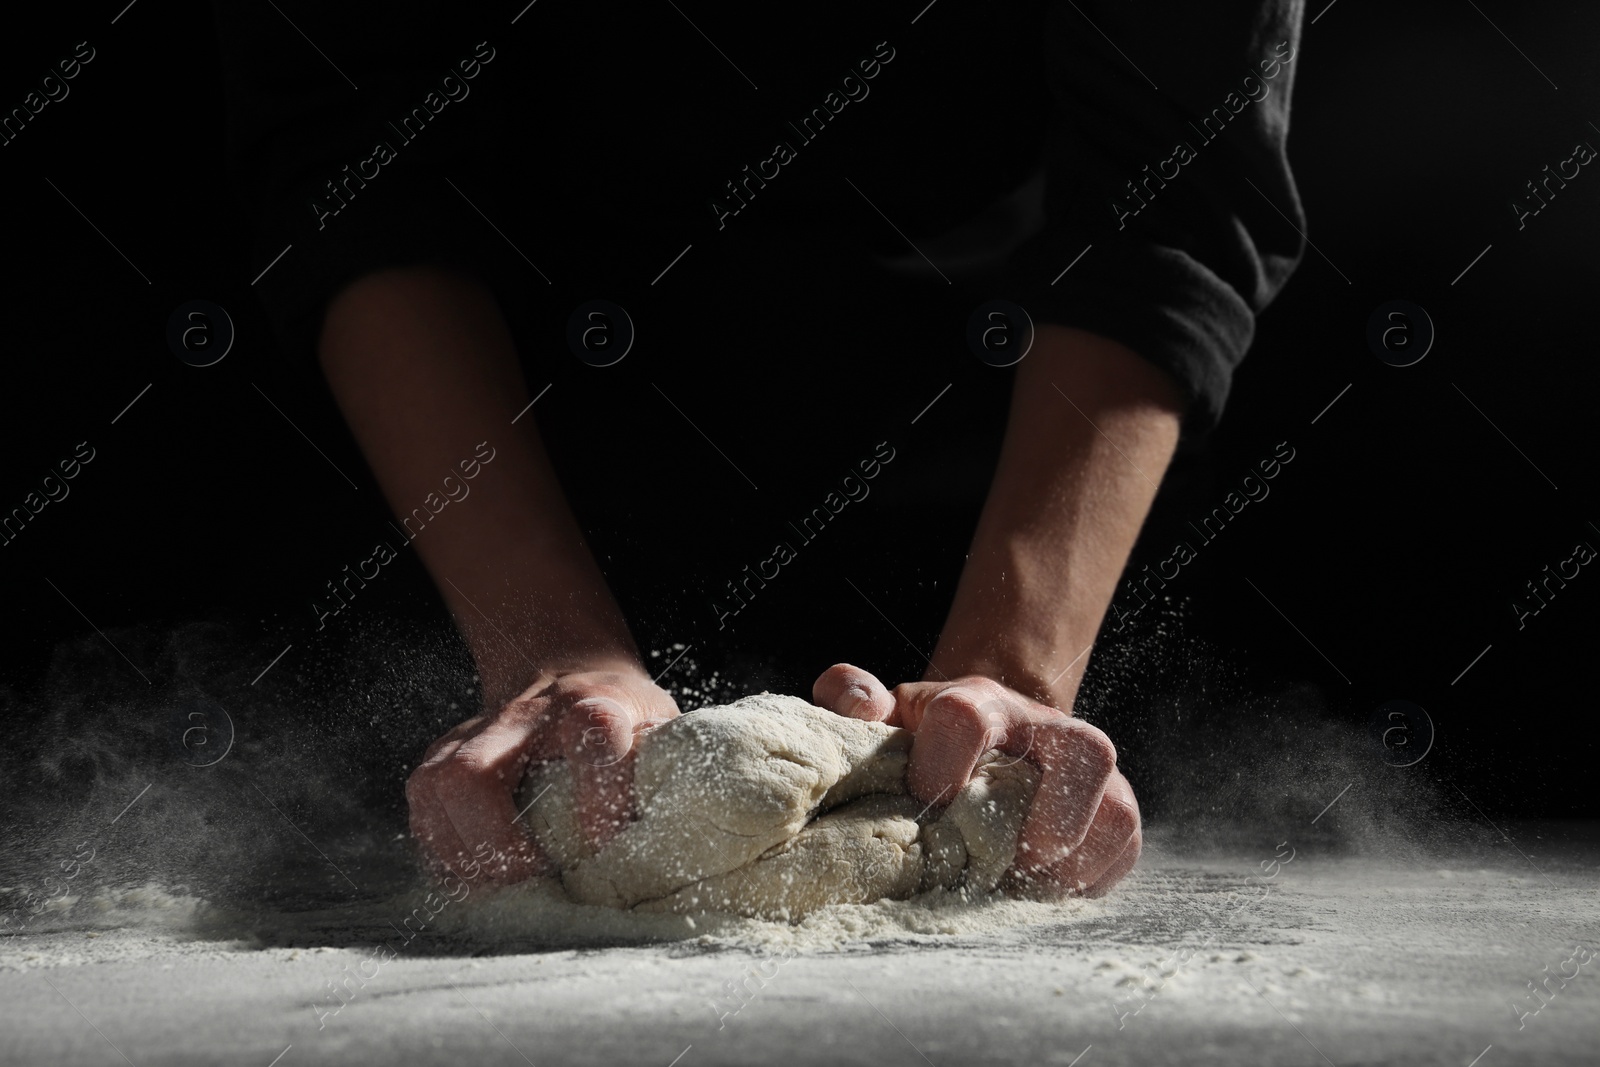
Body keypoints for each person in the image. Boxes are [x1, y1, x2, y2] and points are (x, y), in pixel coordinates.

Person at [216, 0, 1306, 899]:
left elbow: (1171, 191)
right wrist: (545, 652)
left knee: (1000, 841)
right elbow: (358, 153)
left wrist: (1012, 674)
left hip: (1000, 402)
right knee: (472, 842)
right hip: (507, 395)